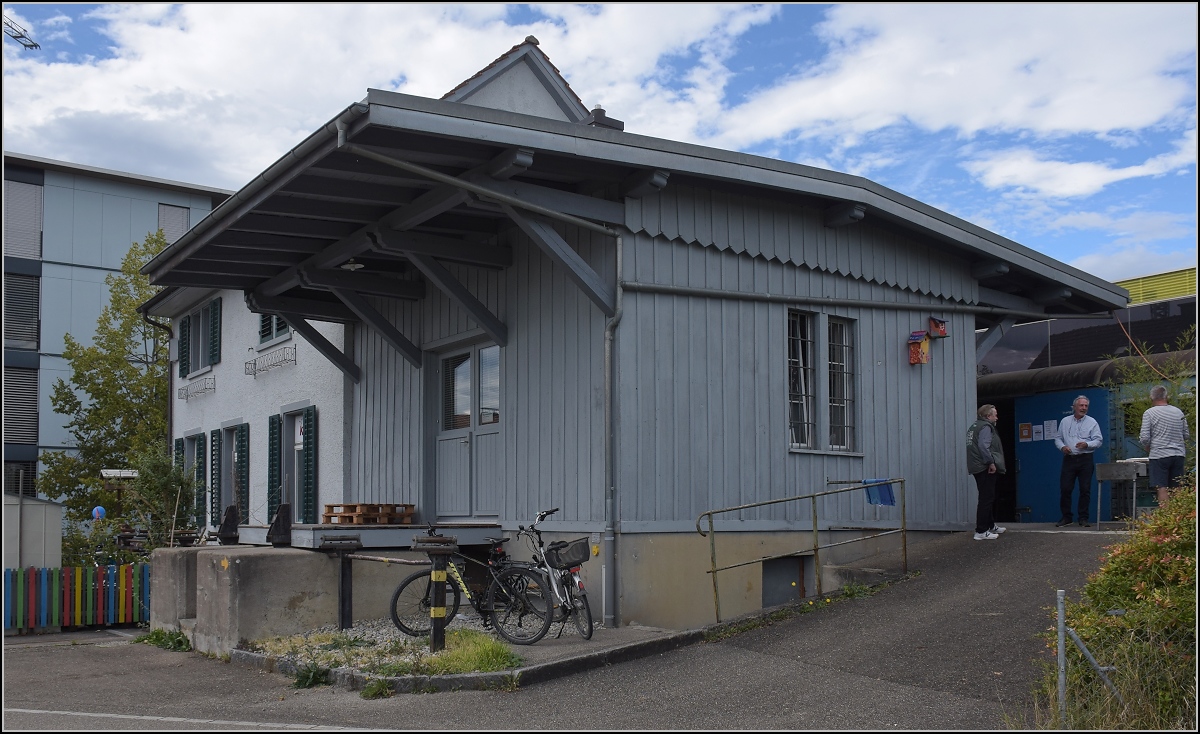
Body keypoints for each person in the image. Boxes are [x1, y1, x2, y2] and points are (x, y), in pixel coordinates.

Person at [1054, 395, 1103, 527]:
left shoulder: (1092, 422)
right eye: (1081, 405)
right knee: (1065, 488)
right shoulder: (1065, 421)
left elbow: (1098, 440)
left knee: (1085, 489)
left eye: (1086, 406)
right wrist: (1062, 447)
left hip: (1085, 459)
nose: (1084, 408)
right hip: (1069, 458)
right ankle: (1066, 517)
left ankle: (1083, 518)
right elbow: (1058, 438)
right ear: (1074, 407)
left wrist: (1087, 444)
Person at [1139, 385, 1190, 508]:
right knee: (1177, 487)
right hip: (1178, 454)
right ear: (1166, 396)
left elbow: (1144, 437)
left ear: (1151, 397)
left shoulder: (1149, 413)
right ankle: (1179, 518)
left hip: (1159, 455)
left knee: (1162, 487)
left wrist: (1147, 446)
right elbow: (1186, 435)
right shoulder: (1178, 412)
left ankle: (1166, 519)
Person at [966, 404, 1007, 540]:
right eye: (995, 414)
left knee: (987, 496)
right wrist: (991, 462)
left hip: (976, 465)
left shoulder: (975, 426)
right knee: (986, 497)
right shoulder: (985, 427)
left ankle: (990, 525)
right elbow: (984, 446)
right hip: (983, 466)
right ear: (988, 416)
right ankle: (981, 530)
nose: (997, 417)